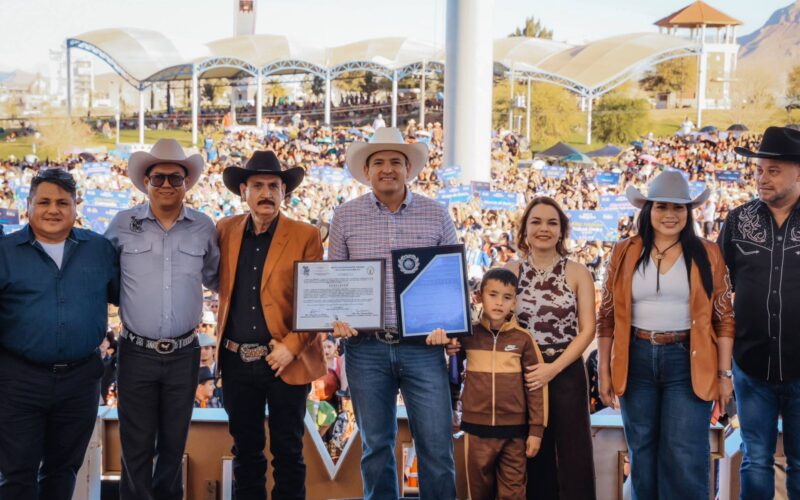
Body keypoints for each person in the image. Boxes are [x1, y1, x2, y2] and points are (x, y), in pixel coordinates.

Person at [329, 127, 458, 499]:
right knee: (375, 449)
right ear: (367, 171)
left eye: (395, 162)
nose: (388, 169)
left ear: (408, 169)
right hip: (366, 349)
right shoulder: (345, 217)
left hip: (423, 348)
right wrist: (336, 318)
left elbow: (451, 280)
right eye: (379, 162)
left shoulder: (436, 214)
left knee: (436, 448)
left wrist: (448, 327)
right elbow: (336, 279)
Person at [598, 170, 734, 499]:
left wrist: (725, 373)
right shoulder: (624, 251)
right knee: (642, 452)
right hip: (636, 357)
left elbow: (724, 317)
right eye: (662, 207)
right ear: (648, 210)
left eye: (679, 208)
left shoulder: (708, 253)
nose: (670, 215)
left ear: (689, 212)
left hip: (689, 358)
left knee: (684, 453)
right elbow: (607, 315)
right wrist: (603, 369)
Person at [105, 138, 220, 500]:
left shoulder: (204, 226)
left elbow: (217, 277)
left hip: (184, 352)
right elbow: (104, 278)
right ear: (146, 181)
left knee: (173, 448)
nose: (167, 185)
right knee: (135, 450)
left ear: (187, 182)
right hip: (136, 351)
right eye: (159, 178)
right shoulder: (122, 224)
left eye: (175, 177)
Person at [0, 168, 119, 499]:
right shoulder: (4, 252)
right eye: (45, 201)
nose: (53, 209)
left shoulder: (99, 249)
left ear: (75, 207)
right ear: (28, 205)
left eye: (63, 202)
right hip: (18, 381)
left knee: (63, 470)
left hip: (79, 382)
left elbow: (122, 295)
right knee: (16, 474)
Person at [216, 150, 326, 499]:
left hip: (285, 362)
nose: (266, 193)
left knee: (288, 452)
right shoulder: (224, 230)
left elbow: (318, 301)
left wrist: (292, 347)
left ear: (283, 192)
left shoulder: (306, 235)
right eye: (258, 185)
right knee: (245, 453)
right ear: (243, 191)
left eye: (274, 186)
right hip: (235, 361)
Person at [718, 126, 800, 498]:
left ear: (798, 172)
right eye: (759, 170)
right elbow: (720, 290)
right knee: (754, 458)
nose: (762, 178)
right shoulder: (737, 221)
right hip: (751, 364)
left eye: (773, 170)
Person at [505, 196, 597, 500]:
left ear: (561, 231)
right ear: (525, 230)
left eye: (551, 222)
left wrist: (553, 369)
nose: (543, 228)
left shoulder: (578, 272)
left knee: (573, 457)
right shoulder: (510, 271)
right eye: (536, 222)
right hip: (523, 374)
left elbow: (587, 331)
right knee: (532, 455)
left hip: (566, 371)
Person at [428, 268, 546, 500]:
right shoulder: (466, 336)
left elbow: (535, 386)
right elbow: (450, 375)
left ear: (514, 303)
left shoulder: (523, 340)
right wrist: (448, 350)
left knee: (514, 493)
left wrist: (536, 430)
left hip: (515, 433)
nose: (499, 302)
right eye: (493, 295)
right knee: (478, 493)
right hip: (476, 430)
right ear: (479, 296)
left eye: (507, 297)